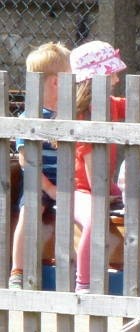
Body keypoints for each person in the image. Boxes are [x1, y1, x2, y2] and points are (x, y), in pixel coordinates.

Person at [10, 41, 71, 290]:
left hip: (68, 178)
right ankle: (18, 270)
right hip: (40, 179)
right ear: (57, 82)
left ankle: (72, 269)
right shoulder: (30, 117)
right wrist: (49, 189)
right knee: (30, 210)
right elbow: (26, 160)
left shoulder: (72, 114)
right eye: (71, 77)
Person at [70, 41, 128, 294]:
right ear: (93, 80)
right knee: (95, 218)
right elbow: (90, 163)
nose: (116, 79)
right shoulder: (83, 116)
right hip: (80, 190)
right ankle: (83, 283)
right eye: (111, 74)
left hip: (103, 185)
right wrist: (103, 193)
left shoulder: (112, 105)